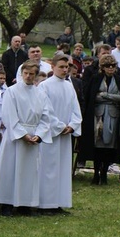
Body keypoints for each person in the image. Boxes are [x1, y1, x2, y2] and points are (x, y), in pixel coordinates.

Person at [0, 60, 52, 216]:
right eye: (26, 73)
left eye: (32, 74)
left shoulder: (41, 94)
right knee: (10, 169)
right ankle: (7, 203)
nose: (29, 76)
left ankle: (25, 204)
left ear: (36, 75)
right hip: (15, 137)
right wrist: (23, 135)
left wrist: (39, 135)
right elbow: (9, 115)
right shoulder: (11, 91)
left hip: (33, 135)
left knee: (29, 172)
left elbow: (46, 117)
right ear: (21, 73)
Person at [37, 54, 82, 212]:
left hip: (65, 134)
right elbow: (45, 110)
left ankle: (59, 202)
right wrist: (60, 126)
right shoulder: (45, 86)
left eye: (67, 67)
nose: (65, 70)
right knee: (49, 168)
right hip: (51, 134)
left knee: (63, 168)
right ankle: (46, 203)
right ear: (52, 67)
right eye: (61, 67)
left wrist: (73, 125)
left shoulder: (69, 85)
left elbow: (76, 108)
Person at [80, 54, 120, 185]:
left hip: (113, 115)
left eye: (113, 66)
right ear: (102, 67)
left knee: (109, 144)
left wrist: (105, 95)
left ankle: (105, 173)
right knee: (97, 144)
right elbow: (92, 96)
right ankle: (96, 173)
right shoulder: (96, 79)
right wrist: (109, 97)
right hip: (97, 114)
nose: (111, 68)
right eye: (108, 66)